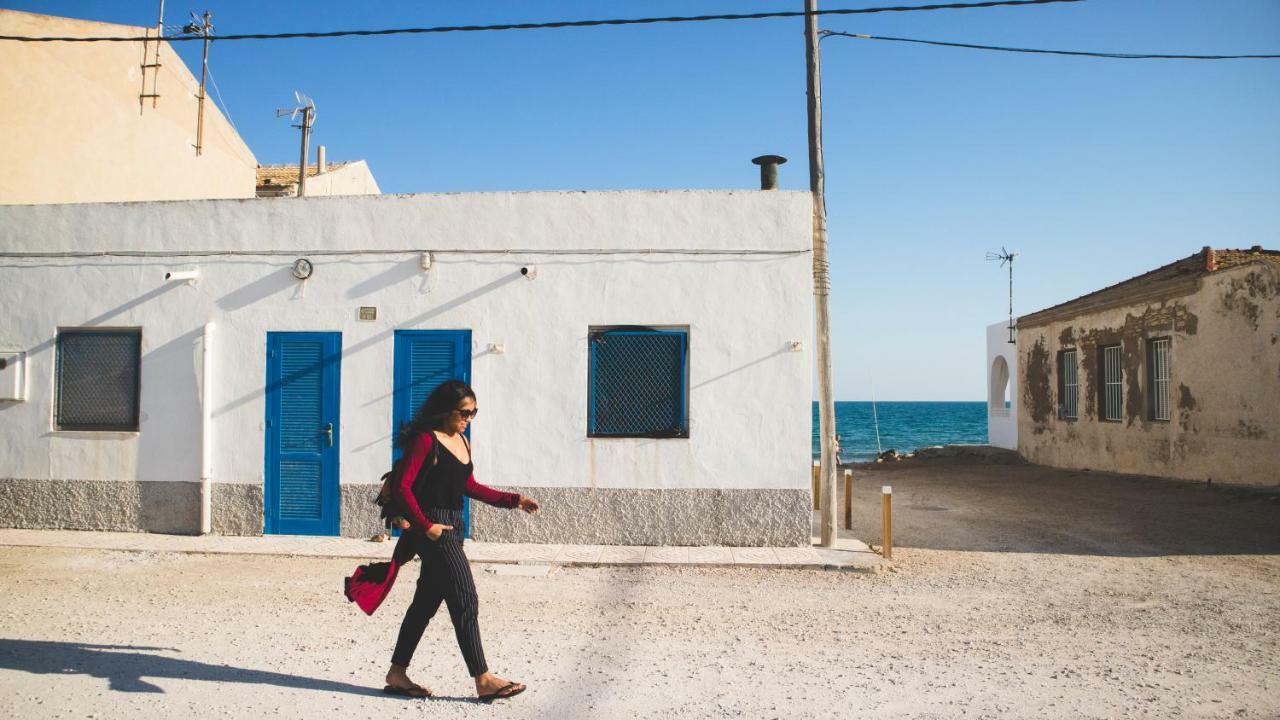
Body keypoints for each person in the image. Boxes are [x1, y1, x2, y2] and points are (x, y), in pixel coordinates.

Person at [383, 380, 540, 702]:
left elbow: (469, 485)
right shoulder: (426, 442)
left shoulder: (463, 441)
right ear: (445, 410)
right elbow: (403, 488)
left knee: (425, 604)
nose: (468, 418)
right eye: (463, 412)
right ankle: (483, 678)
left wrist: (514, 500)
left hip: (452, 525)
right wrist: (427, 526)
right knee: (465, 598)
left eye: (474, 413)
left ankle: (397, 674)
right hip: (434, 529)